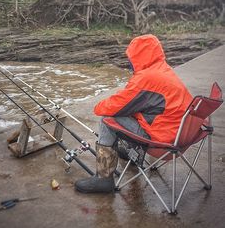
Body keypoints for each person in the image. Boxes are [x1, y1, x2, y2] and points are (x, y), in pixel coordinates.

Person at [75, 34, 193, 193]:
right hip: (181, 134)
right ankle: (132, 153)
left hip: (162, 141)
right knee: (132, 111)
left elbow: (114, 106)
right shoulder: (164, 70)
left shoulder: (146, 78)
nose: (129, 62)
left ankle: (103, 179)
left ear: (139, 56)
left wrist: (97, 106)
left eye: (131, 58)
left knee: (107, 120)